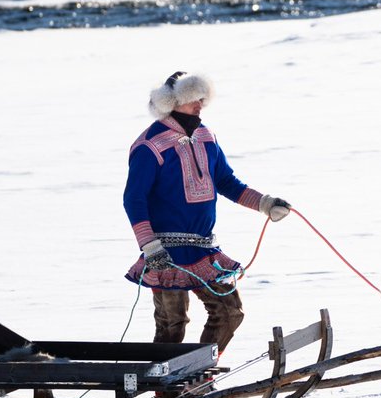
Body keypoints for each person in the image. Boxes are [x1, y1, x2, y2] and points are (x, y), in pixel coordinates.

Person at [123, 71, 291, 354]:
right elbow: (133, 199)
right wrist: (149, 246)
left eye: (201, 98)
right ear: (170, 102)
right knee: (172, 324)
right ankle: (166, 392)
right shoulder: (149, 145)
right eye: (191, 99)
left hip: (203, 249)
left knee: (229, 313)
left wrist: (265, 203)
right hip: (164, 251)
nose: (199, 104)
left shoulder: (206, 136)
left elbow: (226, 182)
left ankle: (200, 378)